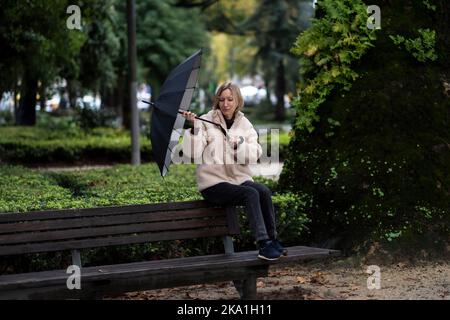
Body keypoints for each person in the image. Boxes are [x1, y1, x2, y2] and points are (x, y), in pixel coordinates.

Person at [181, 82, 287, 261]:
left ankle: (272, 240)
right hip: (213, 184)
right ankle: (263, 244)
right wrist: (194, 127)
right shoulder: (205, 121)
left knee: (263, 191)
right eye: (221, 99)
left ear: (238, 101)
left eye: (230, 99)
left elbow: (255, 154)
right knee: (250, 193)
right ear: (217, 101)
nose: (226, 103)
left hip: (238, 180)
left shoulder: (244, 124)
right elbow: (193, 154)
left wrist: (239, 146)